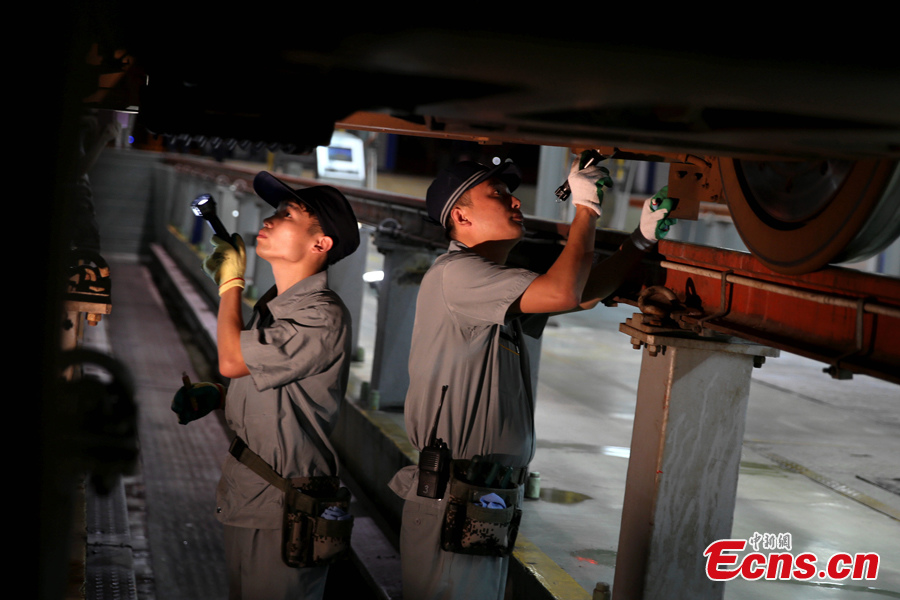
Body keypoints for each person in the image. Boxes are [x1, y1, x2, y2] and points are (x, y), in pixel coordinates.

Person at [388, 157, 670, 600]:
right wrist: (586, 209)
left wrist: (639, 241)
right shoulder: (457, 275)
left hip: (482, 500)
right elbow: (564, 290)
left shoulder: (492, 285)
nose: (515, 200)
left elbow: (578, 295)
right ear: (461, 216)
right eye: (497, 194)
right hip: (454, 499)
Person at [195, 171, 360, 599]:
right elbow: (276, 387)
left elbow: (234, 359)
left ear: (320, 244)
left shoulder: (322, 315)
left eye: (287, 214)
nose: (271, 218)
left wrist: (231, 284)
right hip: (253, 499)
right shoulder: (274, 305)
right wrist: (218, 395)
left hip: (287, 509)